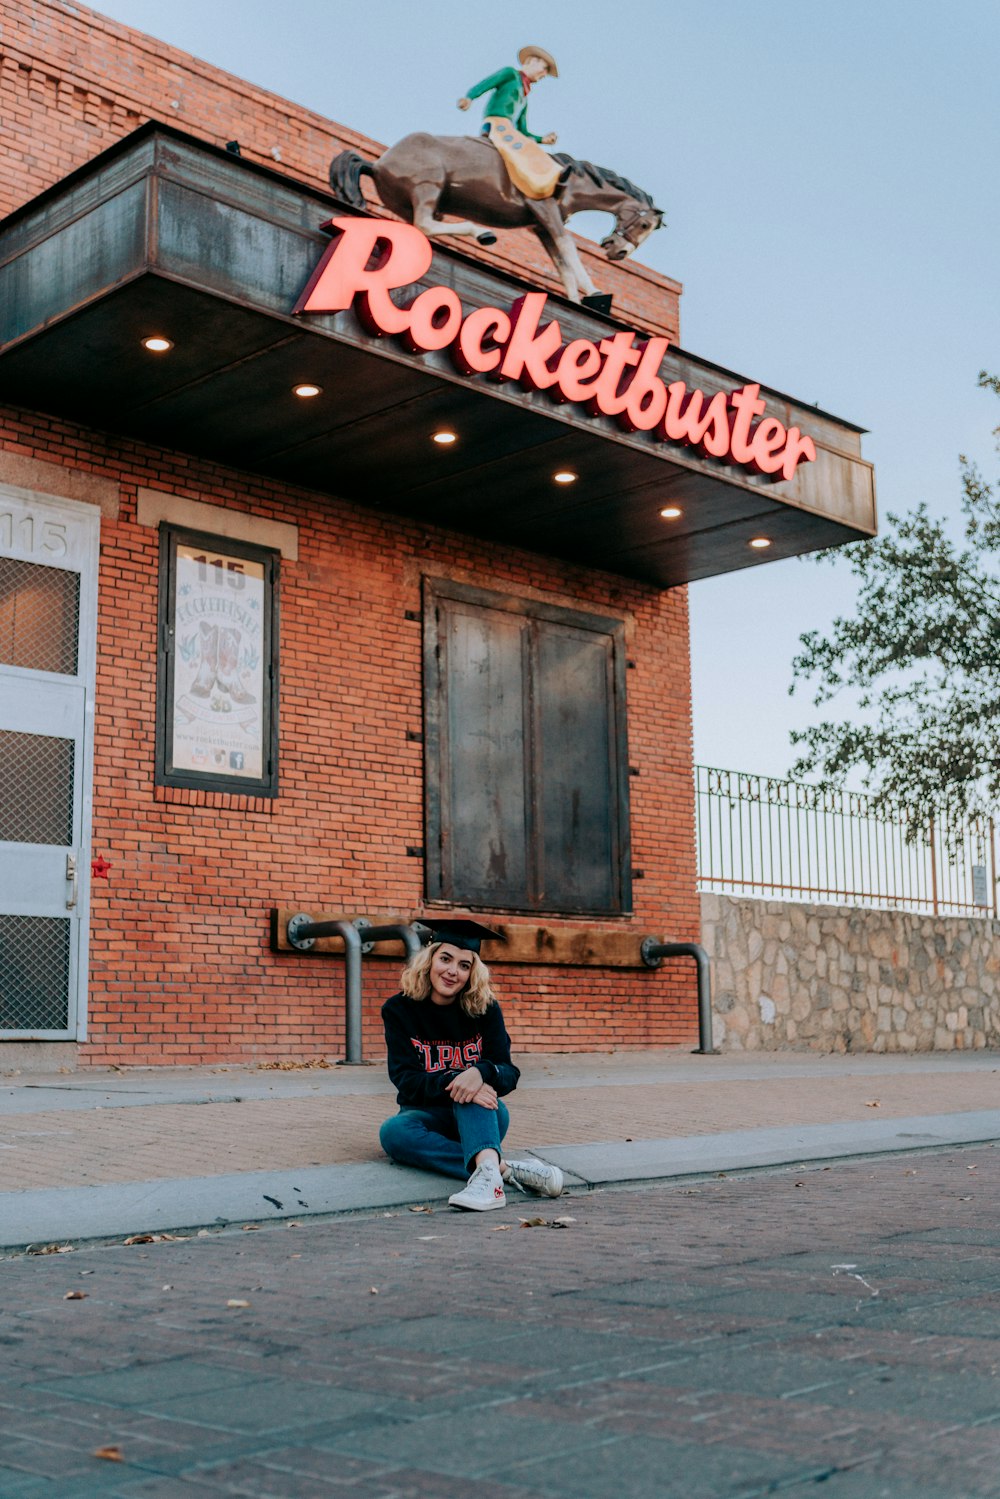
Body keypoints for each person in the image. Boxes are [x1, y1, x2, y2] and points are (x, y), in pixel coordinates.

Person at [379, 919, 564, 1211]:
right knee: (393, 1133)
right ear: (429, 960)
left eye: (464, 965)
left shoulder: (485, 1008)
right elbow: (406, 1080)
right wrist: (459, 1082)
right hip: (423, 1116)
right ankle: (500, 1169)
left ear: (472, 973)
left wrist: (480, 1072)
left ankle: (487, 1181)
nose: (453, 971)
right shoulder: (398, 1010)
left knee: (475, 1094)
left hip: (481, 1116)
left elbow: (508, 1072)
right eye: (445, 959)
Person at [457, 47, 561, 201]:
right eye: (544, 68)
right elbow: (487, 83)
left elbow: (523, 130)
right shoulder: (510, 74)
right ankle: (533, 185)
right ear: (531, 62)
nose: (544, 74)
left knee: (528, 147)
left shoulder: (524, 99)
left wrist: (541, 140)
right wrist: (470, 97)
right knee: (522, 149)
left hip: (510, 130)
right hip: (496, 125)